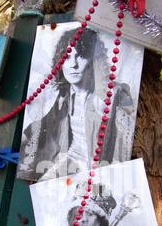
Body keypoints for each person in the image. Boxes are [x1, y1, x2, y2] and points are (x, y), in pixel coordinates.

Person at [18, 26, 135, 182]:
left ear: (94, 58)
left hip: (102, 171)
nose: (73, 64)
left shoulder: (114, 94)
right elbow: (44, 129)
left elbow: (123, 148)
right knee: (42, 189)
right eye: (66, 57)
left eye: (80, 55)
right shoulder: (66, 98)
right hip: (73, 161)